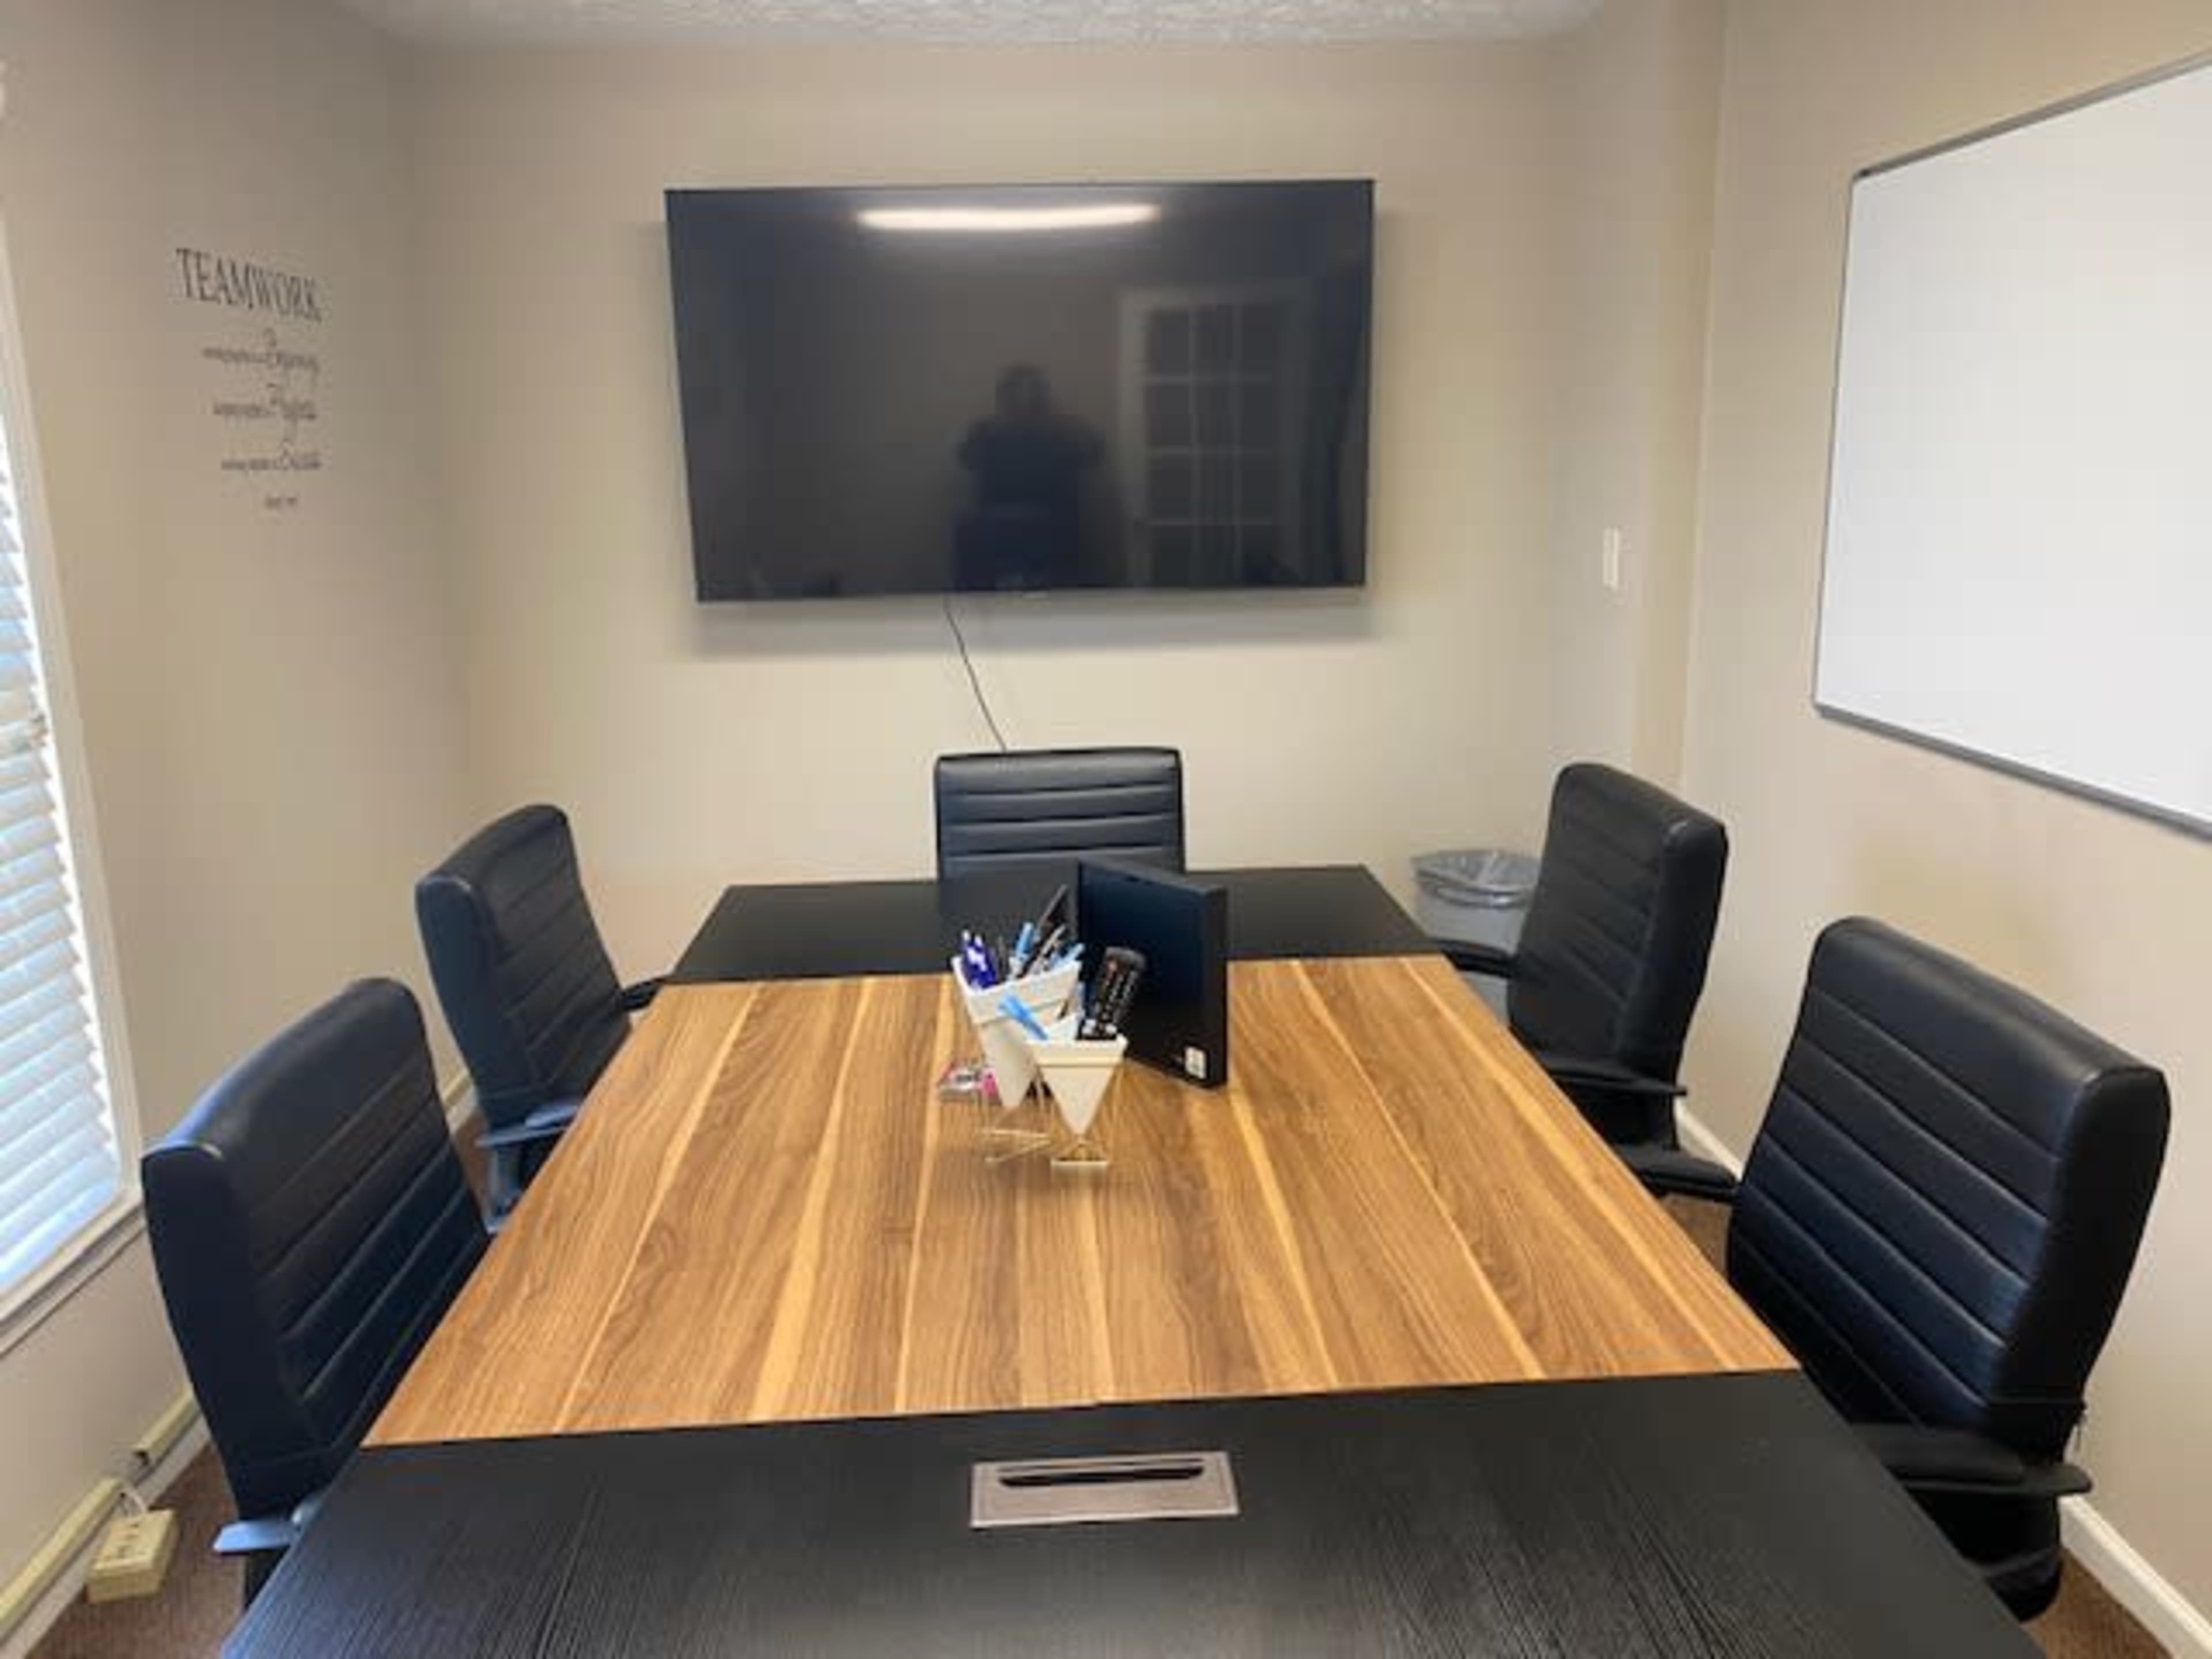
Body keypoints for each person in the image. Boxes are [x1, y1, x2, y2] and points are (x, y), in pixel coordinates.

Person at [955, 364, 1101, 588]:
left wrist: (1064, 425)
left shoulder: (1062, 429)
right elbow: (966, 458)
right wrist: (998, 428)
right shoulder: (988, 430)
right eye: (1016, 395)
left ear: (1042, 399)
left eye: (1032, 395)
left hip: (1054, 531)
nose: (1024, 404)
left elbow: (1095, 454)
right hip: (997, 532)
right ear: (1004, 399)